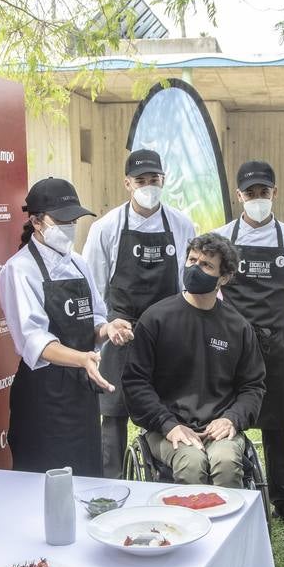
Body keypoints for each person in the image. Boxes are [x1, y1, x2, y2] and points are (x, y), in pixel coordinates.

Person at [0, 177, 134, 474]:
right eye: (61, 220)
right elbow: (34, 340)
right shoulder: (19, 270)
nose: (70, 225)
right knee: (44, 483)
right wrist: (81, 358)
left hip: (81, 392)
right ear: (36, 221)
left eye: (74, 219)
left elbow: (96, 316)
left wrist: (108, 330)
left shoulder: (78, 263)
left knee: (87, 475)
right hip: (43, 395)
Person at [217, 160, 284, 529]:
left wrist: (276, 322)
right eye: (250, 193)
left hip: (276, 340)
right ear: (239, 195)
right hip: (231, 343)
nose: (257, 198)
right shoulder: (221, 238)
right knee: (228, 418)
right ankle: (234, 490)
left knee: (278, 424)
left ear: (274, 193)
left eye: (264, 192)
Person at [83, 148, 197, 478]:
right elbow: (94, 290)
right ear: (127, 183)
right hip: (120, 333)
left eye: (155, 179)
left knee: (168, 410)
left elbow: (188, 283)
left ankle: (166, 479)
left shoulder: (181, 225)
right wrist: (105, 329)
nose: (149, 186)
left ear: (164, 181)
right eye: (141, 180)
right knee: (114, 415)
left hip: (167, 333)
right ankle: (112, 487)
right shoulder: (105, 229)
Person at [123, 234, 266, 487]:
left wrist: (232, 418)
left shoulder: (238, 327)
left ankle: (228, 526)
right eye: (192, 260)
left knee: (226, 463)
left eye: (206, 265)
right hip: (167, 426)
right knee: (191, 463)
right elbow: (136, 383)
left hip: (219, 427)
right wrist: (168, 425)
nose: (195, 269)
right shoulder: (155, 319)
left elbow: (252, 386)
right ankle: (187, 527)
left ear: (224, 277)